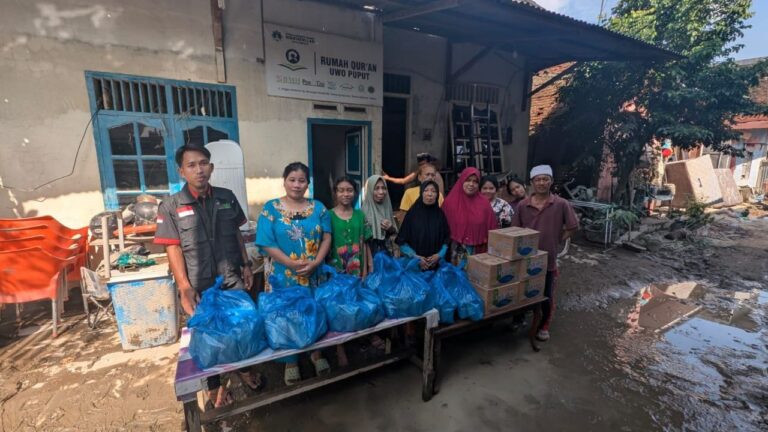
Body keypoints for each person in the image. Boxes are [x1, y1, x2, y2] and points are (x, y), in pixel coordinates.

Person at [154, 144, 262, 408]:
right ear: (181, 171)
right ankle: (215, 388)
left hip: (231, 277)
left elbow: (237, 233)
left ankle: (244, 371)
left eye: (203, 163)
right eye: (191, 165)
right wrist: (184, 287)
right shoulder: (170, 206)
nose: (199, 170)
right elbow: (173, 246)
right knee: (209, 338)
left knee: (242, 327)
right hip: (199, 285)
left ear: (211, 167)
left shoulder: (226, 196)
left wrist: (246, 264)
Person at [255, 162, 333, 385]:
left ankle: (316, 353)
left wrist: (317, 261)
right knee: (288, 316)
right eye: (292, 180)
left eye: (302, 181)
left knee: (313, 311)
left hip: (314, 273)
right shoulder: (271, 209)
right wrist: (290, 263)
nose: (297, 185)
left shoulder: (318, 208)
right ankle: (291, 360)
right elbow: (265, 242)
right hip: (284, 275)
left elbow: (326, 237)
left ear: (307, 183)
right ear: (284, 181)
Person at [511, 164, 579, 342]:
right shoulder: (522, 205)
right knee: (521, 290)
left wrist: (558, 239)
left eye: (545, 179)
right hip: (524, 258)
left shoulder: (561, 204)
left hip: (548, 259)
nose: (541, 183)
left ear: (551, 181)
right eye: (538, 179)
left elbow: (573, 226)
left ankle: (544, 326)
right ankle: (518, 319)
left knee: (546, 294)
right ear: (532, 182)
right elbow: (514, 230)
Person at [442, 167, 498, 268]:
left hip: (479, 253)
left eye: (475, 181)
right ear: (461, 180)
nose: (471, 184)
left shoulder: (484, 203)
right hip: (453, 254)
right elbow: (441, 231)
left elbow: (492, 228)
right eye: (468, 180)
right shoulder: (449, 203)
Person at [396, 181, 451, 270]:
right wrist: (415, 258)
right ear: (421, 193)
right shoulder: (412, 215)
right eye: (426, 190)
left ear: (437, 195)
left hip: (436, 267)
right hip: (414, 266)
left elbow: (447, 239)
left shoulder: (440, 215)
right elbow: (401, 241)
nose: (430, 194)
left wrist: (439, 255)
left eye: (433, 191)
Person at [329, 176, 372, 277]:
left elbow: (365, 243)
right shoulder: (328, 215)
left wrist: (366, 269)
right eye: (341, 191)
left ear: (355, 193)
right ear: (335, 193)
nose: (346, 194)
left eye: (350, 190)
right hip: (335, 270)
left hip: (357, 270)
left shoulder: (360, 215)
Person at [361, 175, 398, 269]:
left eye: (383, 188)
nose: (381, 192)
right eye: (376, 188)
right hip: (368, 261)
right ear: (369, 190)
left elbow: (396, 237)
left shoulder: (387, 208)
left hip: (387, 260)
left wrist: (391, 229)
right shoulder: (362, 213)